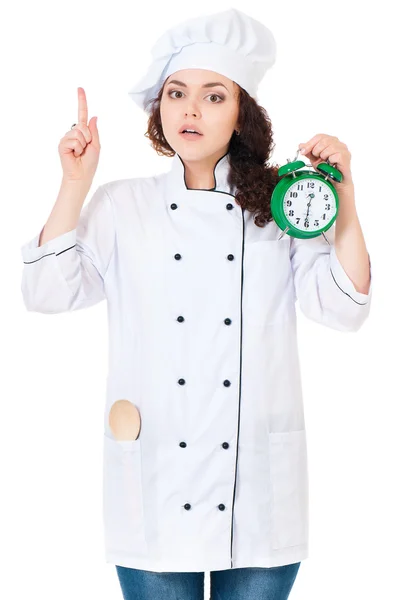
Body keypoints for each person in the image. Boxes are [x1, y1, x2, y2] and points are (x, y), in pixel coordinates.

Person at [20, 7, 372, 600]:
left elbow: (343, 308)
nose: (190, 109)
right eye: (177, 93)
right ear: (160, 110)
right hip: (153, 486)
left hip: (257, 492)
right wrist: (75, 182)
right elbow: (46, 293)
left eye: (213, 96)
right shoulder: (120, 206)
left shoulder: (285, 207)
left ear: (242, 114)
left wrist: (346, 203)